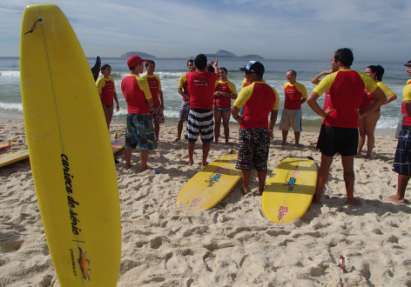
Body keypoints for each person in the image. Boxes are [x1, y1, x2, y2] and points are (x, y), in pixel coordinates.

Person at [307, 48, 385, 205]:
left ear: (337, 61)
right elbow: (381, 98)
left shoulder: (331, 77)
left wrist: (324, 115)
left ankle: (317, 197)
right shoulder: (362, 77)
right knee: (348, 168)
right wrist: (362, 114)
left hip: (331, 126)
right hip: (350, 127)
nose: (331, 62)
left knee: (325, 166)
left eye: (332, 60)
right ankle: (350, 198)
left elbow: (310, 100)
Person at [232, 61, 279, 195]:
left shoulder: (248, 89)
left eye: (246, 72)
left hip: (247, 129)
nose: (245, 75)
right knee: (261, 161)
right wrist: (270, 128)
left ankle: (246, 187)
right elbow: (275, 112)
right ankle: (261, 188)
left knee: (245, 160)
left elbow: (234, 110)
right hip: (264, 130)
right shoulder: (273, 91)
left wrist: (241, 120)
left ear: (253, 74)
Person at [121, 55, 156, 171]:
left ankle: (127, 164)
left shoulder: (124, 80)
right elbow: (150, 100)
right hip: (142, 114)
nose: (143, 67)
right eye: (141, 65)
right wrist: (151, 107)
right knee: (144, 142)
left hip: (130, 113)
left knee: (129, 141)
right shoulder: (141, 79)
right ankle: (143, 165)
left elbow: (126, 95)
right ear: (136, 66)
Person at [358, 65, 397, 158]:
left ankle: (369, 153)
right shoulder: (366, 84)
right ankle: (358, 151)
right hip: (362, 111)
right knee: (361, 133)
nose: (365, 74)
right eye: (365, 72)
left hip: (372, 113)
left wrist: (378, 104)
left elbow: (393, 96)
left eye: (367, 72)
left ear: (374, 74)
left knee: (369, 133)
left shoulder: (379, 84)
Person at [186, 54, 218, 165]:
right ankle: (204, 161)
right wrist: (214, 65)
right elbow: (216, 73)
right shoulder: (212, 76)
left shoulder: (189, 75)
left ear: (195, 64)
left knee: (191, 138)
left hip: (194, 110)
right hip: (207, 111)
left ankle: (190, 160)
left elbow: (196, 70)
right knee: (207, 139)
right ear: (205, 64)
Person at [388, 60, 411, 204]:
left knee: (404, 163)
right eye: (407, 67)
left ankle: (399, 196)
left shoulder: (408, 88)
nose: (407, 69)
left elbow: (408, 109)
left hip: (409, 127)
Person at [279, 70, 307, 145]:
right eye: (287, 75)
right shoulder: (285, 85)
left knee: (296, 127)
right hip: (286, 109)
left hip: (296, 110)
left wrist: (298, 103)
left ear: (294, 76)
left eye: (289, 75)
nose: (287, 77)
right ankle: (284, 141)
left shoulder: (301, 86)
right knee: (284, 127)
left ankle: (297, 143)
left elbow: (305, 97)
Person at [143, 60, 165, 141]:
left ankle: (156, 138)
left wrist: (162, 103)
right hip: (146, 105)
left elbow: (160, 91)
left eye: (154, 67)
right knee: (147, 124)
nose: (153, 68)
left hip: (157, 104)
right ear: (146, 67)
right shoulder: (143, 78)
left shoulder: (156, 77)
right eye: (151, 66)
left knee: (157, 123)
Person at [214, 67, 237, 144]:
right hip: (216, 107)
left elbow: (235, 96)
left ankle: (227, 141)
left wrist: (224, 94)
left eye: (222, 72)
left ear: (226, 73)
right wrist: (215, 93)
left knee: (226, 124)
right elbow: (209, 94)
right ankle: (216, 140)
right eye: (219, 72)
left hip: (226, 107)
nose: (221, 74)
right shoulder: (216, 83)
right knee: (217, 124)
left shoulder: (230, 84)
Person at [175, 59, 194, 142]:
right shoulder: (184, 77)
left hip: (194, 102)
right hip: (185, 101)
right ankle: (178, 136)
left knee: (191, 121)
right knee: (180, 119)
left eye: (193, 65)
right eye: (190, 65)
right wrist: (185, 96)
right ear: (187, 66)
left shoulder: (197, 76)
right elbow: (179, 89)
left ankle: (188, 135)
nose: (191, 66)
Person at [96, 64, 120, 128]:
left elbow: (114, 92)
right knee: (105, 121)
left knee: (108, 121)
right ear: (103, 71)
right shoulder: (100, 80)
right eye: (108, 69)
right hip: (104, 104)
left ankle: (107, 135)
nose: (109, 71)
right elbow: (98, 95)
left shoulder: (111, 79)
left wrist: (117, 103)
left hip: (111, 104)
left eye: (110, 69)